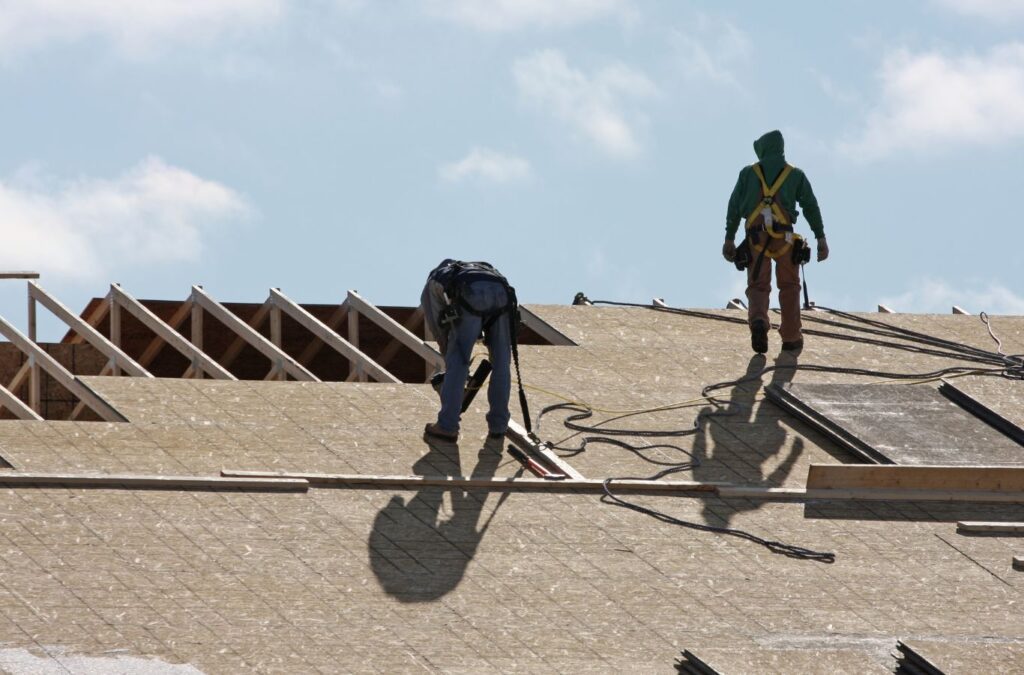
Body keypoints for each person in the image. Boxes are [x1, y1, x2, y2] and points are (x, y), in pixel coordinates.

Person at [722, 129, 828, 354]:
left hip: (755, 237)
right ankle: (790, 336)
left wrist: (729, 239)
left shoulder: (747, 174)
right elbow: (811, 206)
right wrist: (821, 238)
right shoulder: (795, 175)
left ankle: (759, 320)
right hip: (785, 239)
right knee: (789, 286)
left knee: (758, 285)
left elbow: (733, 207)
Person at [421, 259, 514, 442]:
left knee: (458, 361)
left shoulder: (432, 284)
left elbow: (440, 331)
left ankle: (447, 426)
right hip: (502, 294)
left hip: (470, 293)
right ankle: (499, 425)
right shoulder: (480, 269)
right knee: (502, 363)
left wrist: (453, 366)